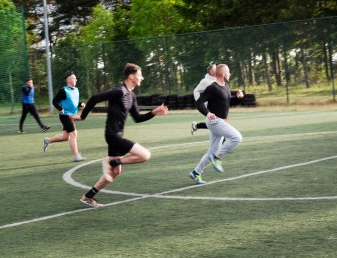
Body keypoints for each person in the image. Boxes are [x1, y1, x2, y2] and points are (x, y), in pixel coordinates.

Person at [76, 63, 168, 207]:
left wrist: (154, 112)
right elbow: (94, 98)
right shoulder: (119, 91)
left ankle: (87, 197)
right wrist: (82, 117)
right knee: (145, 155)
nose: (142, 78)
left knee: (115, 173)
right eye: (139, 75)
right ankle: (110, 161)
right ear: (131, 76)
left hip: (117, 135)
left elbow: (138, 118)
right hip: (113, 135)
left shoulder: (131, 95)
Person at [189, 63, 243, 184]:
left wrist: (239, 98)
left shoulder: (226, 86)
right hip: (214, 121)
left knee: (211, 151)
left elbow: (228, 103)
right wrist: (207, 113)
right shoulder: (212, 87)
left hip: (220, 121)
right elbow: (199, 103)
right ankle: (217, 157)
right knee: (237, 137)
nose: (230, 73)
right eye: (228, 71)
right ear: (222, 74)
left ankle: (196, 173)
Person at [43, 72, 86, 161]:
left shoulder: (76, 90)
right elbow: (55, 101)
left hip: (72, 115)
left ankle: (48, 140)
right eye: (74, 78)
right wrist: (60, 108)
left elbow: (74, 101)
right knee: (73, 134)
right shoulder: (63, 91)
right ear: (68, 80)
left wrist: (81, 104)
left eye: (75, 78)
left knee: (65, 137)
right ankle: (76, 156)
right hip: (65, 115)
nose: (76, 80)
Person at [190, 63, 216, 135]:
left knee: (215, 123)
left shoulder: (218, 79)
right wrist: (201, 103)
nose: (217, 69)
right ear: (211, 72)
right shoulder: (205, 81)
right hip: (209, 107)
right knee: (216, 123)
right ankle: (224, 140)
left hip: (217, 106)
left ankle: (196, 126)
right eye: (215, 68)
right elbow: (196, 91)